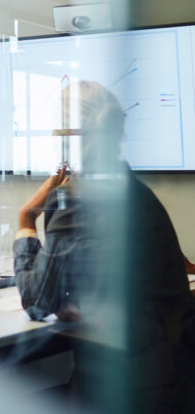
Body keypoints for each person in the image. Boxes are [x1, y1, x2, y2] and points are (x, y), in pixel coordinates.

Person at [13, 81, 195, 413]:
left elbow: (38, 302)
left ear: (67, 136)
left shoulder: (78, 197)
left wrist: (26, 221)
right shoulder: (134, 191)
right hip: (171, 375)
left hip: (128, 384)